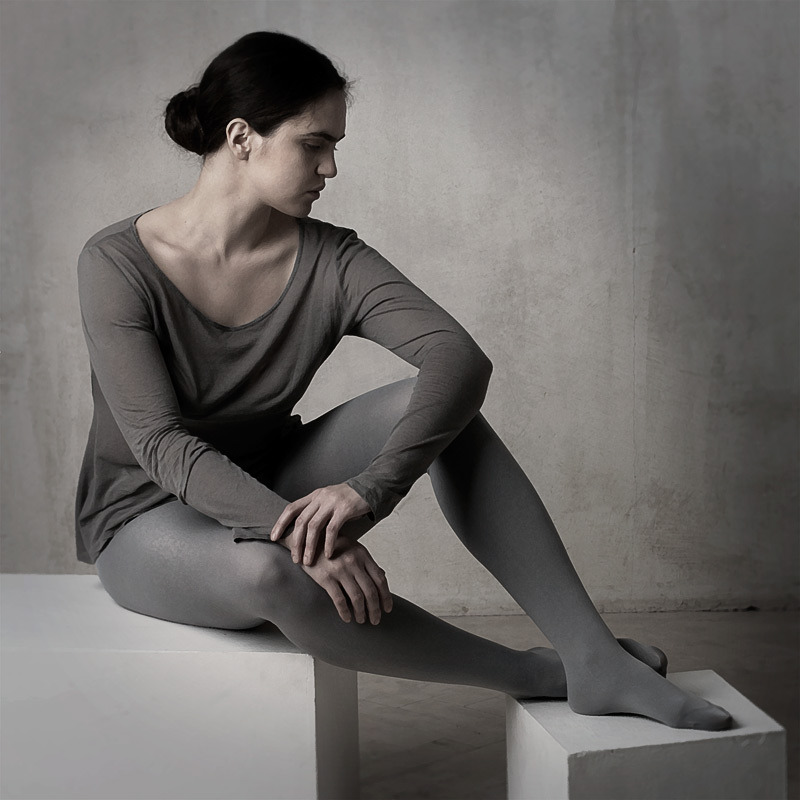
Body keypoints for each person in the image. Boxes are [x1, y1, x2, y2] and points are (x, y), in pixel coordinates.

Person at [76, 30, 732, 731]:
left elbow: (458, 358)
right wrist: (291, 534)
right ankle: (538, 672)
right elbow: (161, 445)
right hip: (145, 519)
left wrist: (370, 489)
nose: (331, 167)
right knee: (272, 573)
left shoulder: (329, 258)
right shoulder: (118, 264)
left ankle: (592, 654)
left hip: (269, 474)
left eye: (336, 147)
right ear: (242, 138)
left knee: (441, 409)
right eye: (313, 143)